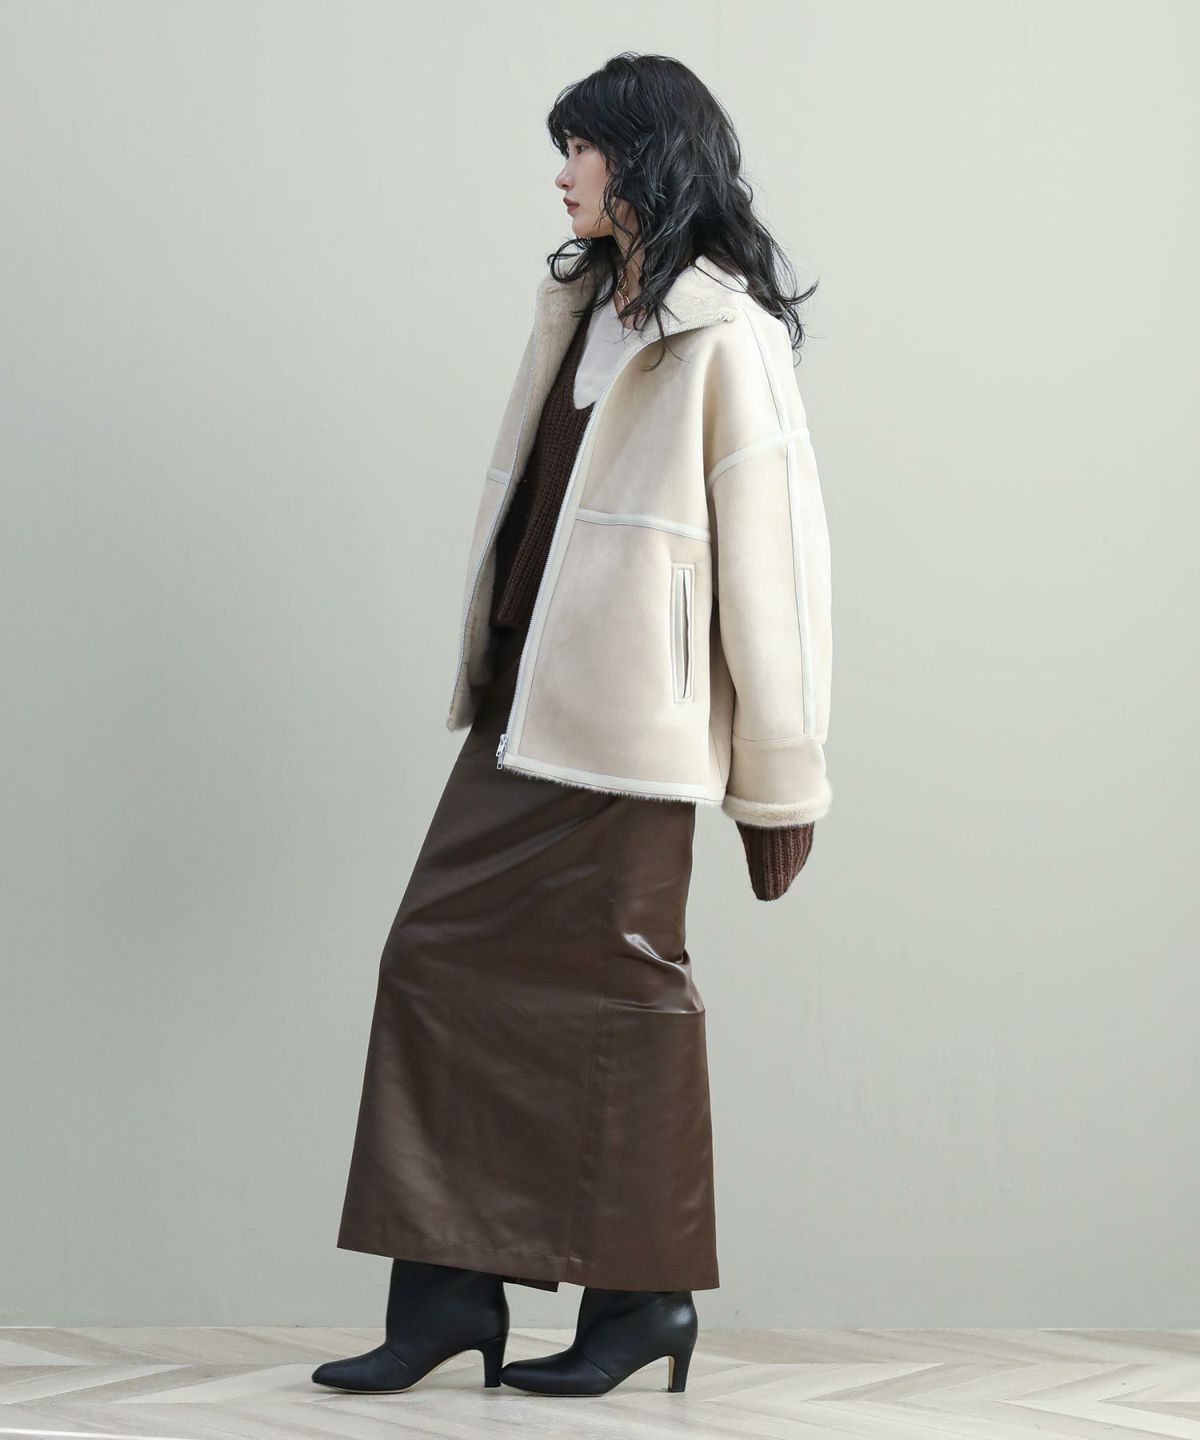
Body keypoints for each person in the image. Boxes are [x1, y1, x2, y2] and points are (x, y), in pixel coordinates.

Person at [312, 50, 833, 1399]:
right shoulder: (584, 304)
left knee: (624, 998)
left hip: (633, 734)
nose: (562, 174)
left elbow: (778, 571)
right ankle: (447, 1295)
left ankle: (643, 1305)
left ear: (641, 156)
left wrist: (780, 785)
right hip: (523, 708)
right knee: (438, 962)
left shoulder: (727, 335)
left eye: (581, 149)